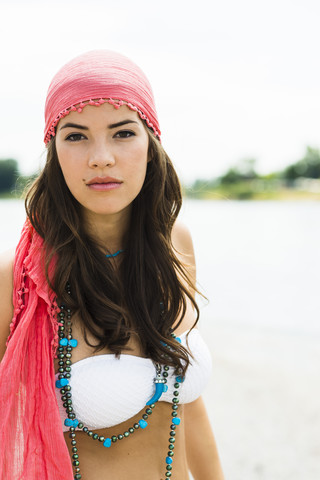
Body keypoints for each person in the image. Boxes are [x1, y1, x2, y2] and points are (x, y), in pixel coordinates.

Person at [0, 50, 224, 480]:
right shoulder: (20, 278)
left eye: (123, 133)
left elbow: (186, 406)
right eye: (76, 136)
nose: (100, 157)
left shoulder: (174, 245)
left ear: (151, 140)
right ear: (54, 150)